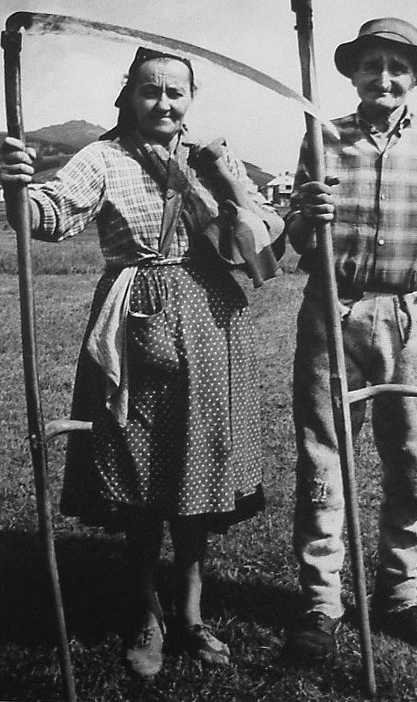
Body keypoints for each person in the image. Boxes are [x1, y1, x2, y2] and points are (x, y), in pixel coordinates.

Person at [0, 47, 284, 678]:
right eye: (150, 90)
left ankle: (191, 615)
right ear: (127, 94)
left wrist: (227, 178)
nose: (164, 103)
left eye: (176, 92)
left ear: (190, 99)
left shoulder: (213, 160)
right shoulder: (101, 157)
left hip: (214, 324)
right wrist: (16, 184)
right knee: (139, 469)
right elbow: (51, 215)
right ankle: (144, 616)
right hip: (136, 321)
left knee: (199, 468)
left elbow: (264, 245)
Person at [284, 18, 417, 660]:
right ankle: (321, 602)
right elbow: (299, 235)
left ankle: (398, 598)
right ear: (351, 73)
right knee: (324, 457)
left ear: (416, 77)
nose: (385, 77)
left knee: (410, 459)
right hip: (334, 309)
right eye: (372, 65)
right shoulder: (321, 138)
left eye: (398, 67)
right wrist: (306, 215)